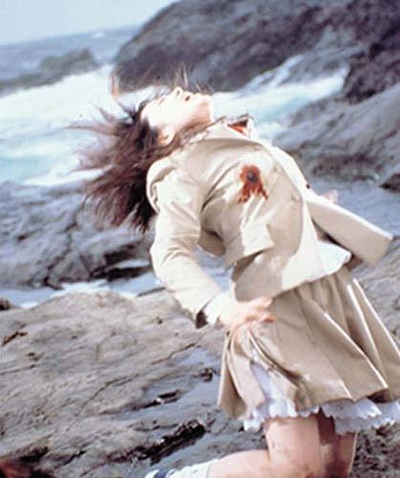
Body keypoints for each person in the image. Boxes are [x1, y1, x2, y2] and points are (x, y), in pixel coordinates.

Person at [79, 85, 400, 478]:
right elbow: (169, 253)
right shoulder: (176, 170)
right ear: (163, 136)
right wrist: (218, 306)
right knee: (296, 470)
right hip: (274, 310)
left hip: (330, 295)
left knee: (334, 466)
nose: (177, 90)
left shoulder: (240, 138)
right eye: (161, 102)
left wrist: (311, 208)